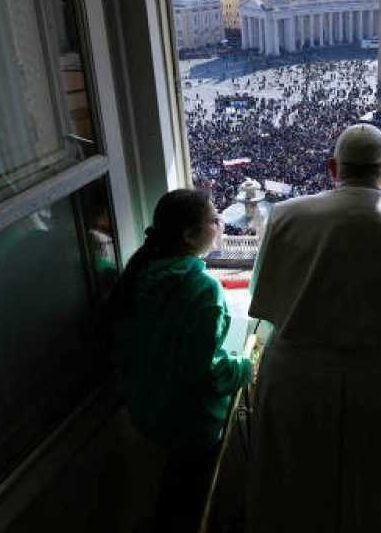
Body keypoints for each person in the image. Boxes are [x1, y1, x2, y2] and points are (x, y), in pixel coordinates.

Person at [247, 123, 381, 533]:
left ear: (333, 167)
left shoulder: (285, 215)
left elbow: (264, 298)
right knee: (379, 496)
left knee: (296, 491)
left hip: (295, 377)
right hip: (380, 378)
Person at [110, 189, 252, 532]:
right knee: (191, 507)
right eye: (214, 220)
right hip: (190, 423)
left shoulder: (140, 274)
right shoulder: (201, 288)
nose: (220, 226)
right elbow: (203, 372)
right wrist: (244, 367)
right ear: (190, 234)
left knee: (166, 499)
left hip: (145, 412)